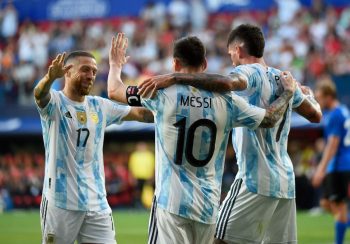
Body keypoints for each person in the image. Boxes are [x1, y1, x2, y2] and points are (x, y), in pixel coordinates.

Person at [138, 24, 322, 244]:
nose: (231, 60)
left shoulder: (248, 72)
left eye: (231, 54)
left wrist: (177, 78)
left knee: (218, 239)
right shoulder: (282, 79)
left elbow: (227, 84)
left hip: (255, 177)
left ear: (239, 50)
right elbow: (315, 114)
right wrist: (302, 93)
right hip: (285, 180)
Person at [33, 51, 153, 244]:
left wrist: (173, 112)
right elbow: (39, 95)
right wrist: (49, 78)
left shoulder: (100, 106)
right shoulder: (55, 103)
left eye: (94, 71)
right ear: (68, 71)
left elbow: (141, 114)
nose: (91, 75)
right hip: (61, 203)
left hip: (96, 203)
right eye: (85, 69)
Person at [312, 81, 350, 244]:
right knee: (326, 202)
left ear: (329, 97)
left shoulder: (335, 114)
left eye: (319, 98)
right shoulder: (344, 110)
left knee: (339, 207)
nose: (318, 102)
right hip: (343, 163)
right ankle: (343, 223)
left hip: (339, 165)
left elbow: (333, 146)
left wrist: (321, 169)